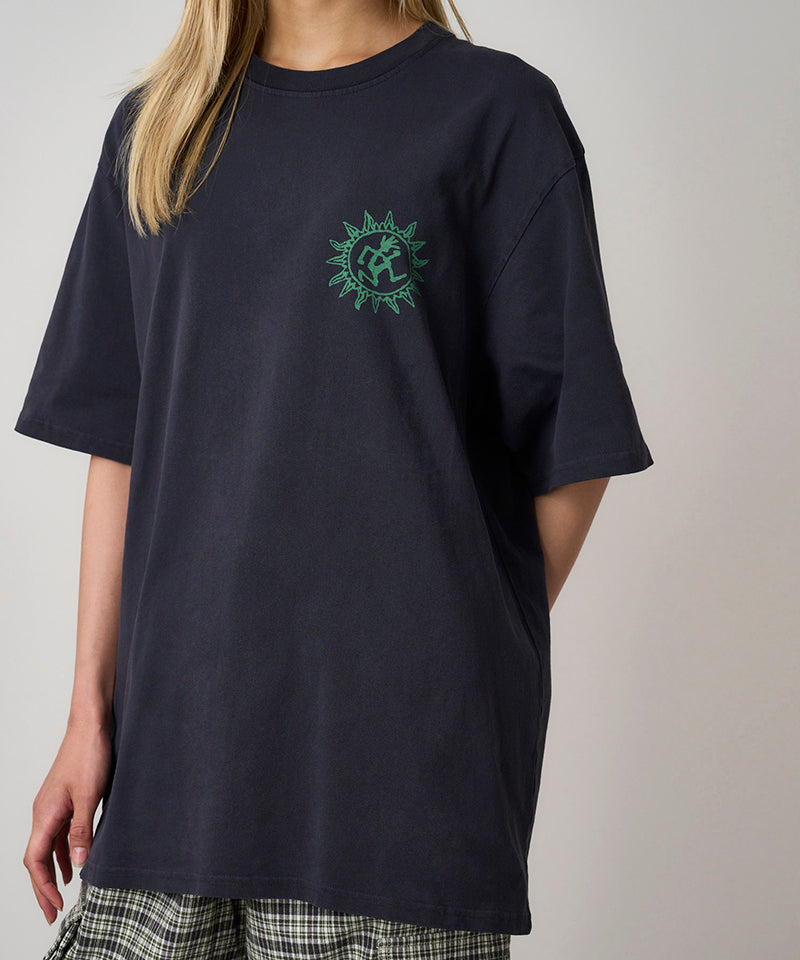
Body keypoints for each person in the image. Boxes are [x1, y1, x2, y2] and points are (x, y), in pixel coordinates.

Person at [16, 0, 654, 957]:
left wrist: (455, 645)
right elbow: (122, 444)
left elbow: (572, 436)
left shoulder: (496, 114)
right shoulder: (158, 127)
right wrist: (86, 717)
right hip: (173, 762)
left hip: (393, 793)